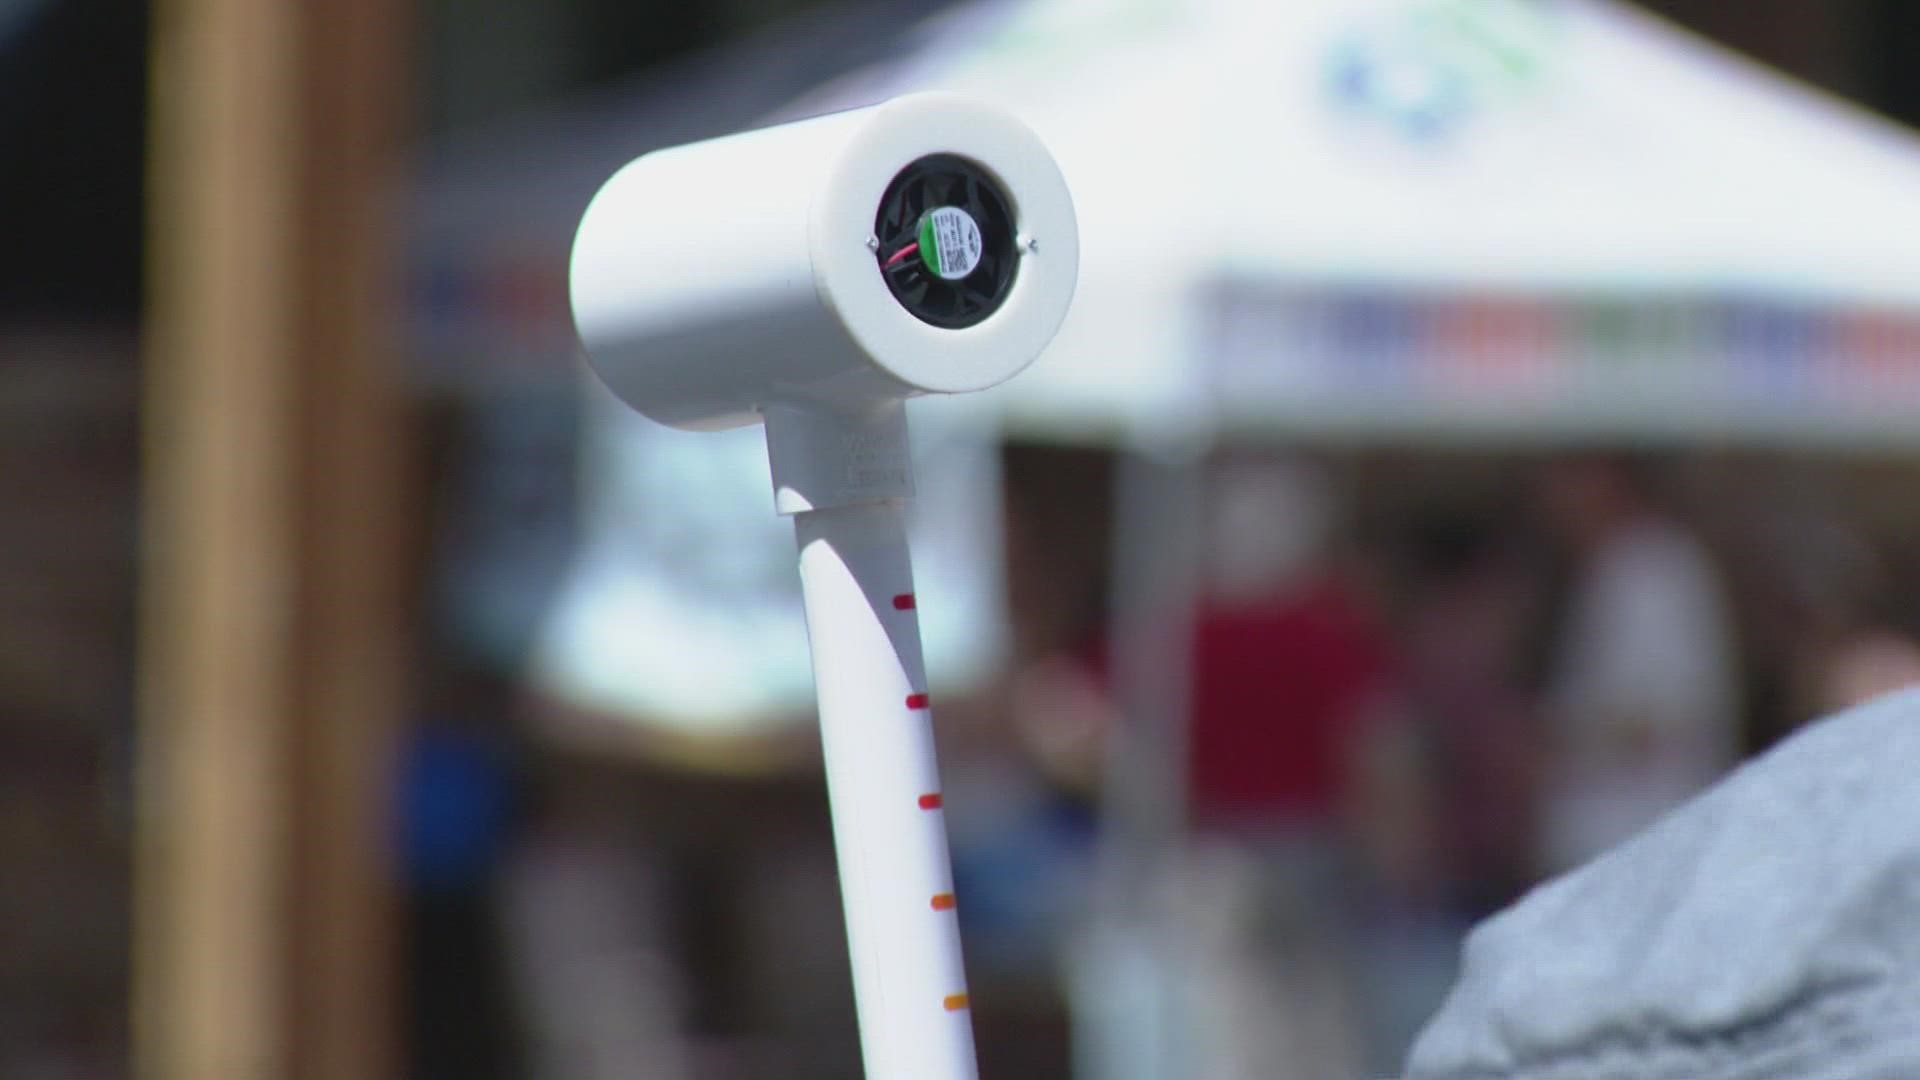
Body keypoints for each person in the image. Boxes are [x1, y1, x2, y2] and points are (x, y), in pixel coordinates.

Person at [1533, 454, 1740, 874]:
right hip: (1610, 839)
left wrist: (1552, 745)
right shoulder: (1609, 565)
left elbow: (1659, 714)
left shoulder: (1653, 572)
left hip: (1640, 834)